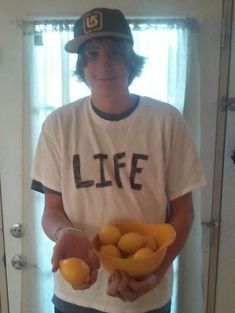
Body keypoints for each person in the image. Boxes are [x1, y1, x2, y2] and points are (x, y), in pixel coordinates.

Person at [31, 7, 206, 313]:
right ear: (82, 64)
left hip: (147, 296)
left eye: (113, 53)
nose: (103, 65)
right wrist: (65, 232)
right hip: (78, 296)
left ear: (129, 59)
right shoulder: (59, 125)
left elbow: (183, 214)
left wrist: (156, 273)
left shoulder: (166, 121)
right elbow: (52, 210)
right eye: (93, 54)